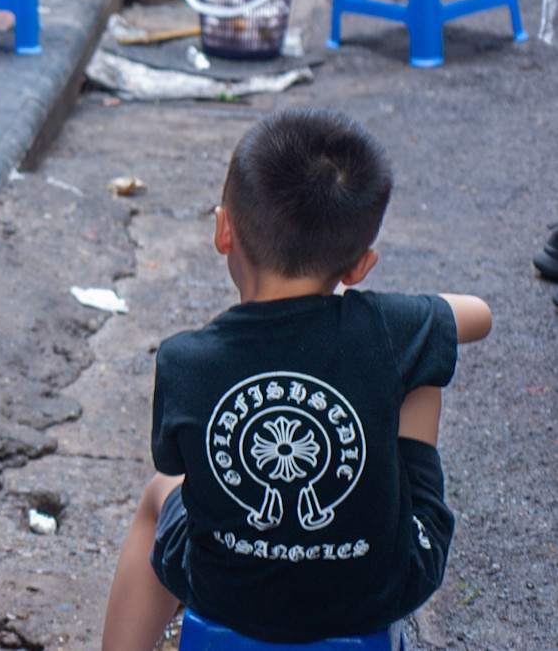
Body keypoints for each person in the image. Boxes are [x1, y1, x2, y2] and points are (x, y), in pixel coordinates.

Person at [99, 110, 491, 651]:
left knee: (156, 498)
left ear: (223, 229)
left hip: (223, 593)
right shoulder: (390, 328)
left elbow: (180, 471)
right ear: (359, 266)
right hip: (383, 586)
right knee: (423, 362)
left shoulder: (184, 360)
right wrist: (400, 312)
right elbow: (479, 315)